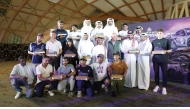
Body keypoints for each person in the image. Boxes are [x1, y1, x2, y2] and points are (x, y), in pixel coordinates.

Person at [152, 29, 172, 95]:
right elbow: (151, 51)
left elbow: (170, 50)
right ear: (156, 34)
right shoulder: (154, 41)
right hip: (155, 60)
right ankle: (157, 86)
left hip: (164, 60)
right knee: (156, 73)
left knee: (164, 74)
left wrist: (165, 51)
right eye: (158, 33)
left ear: (163, 34)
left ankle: (164, 87)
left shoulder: (166, 40)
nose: (159, 34)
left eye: (161, 33)